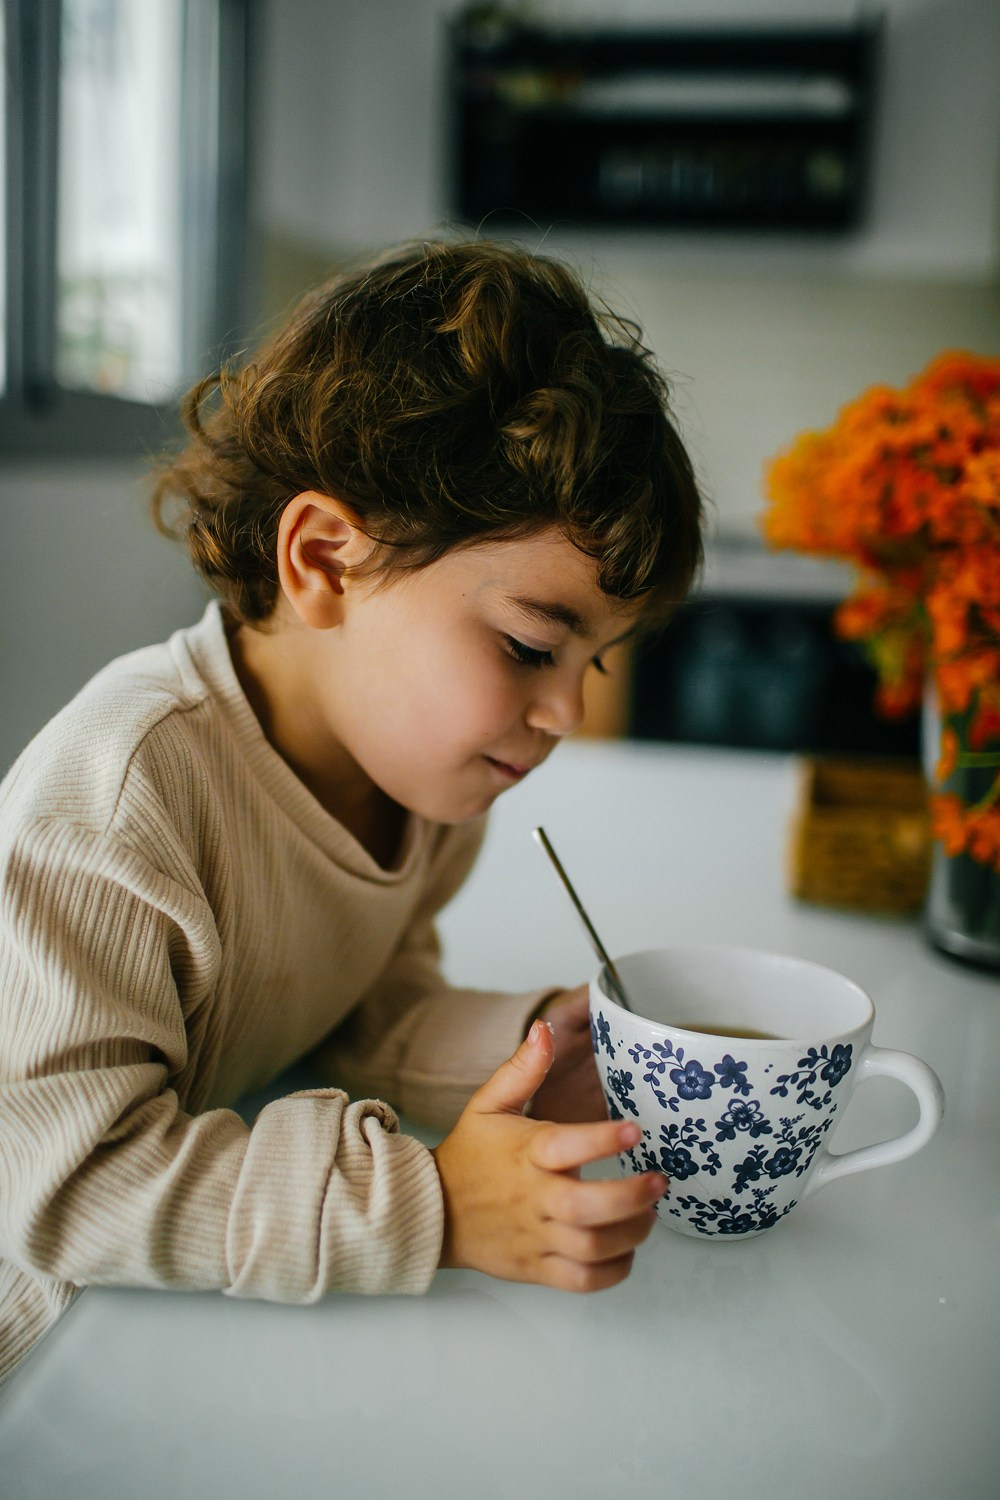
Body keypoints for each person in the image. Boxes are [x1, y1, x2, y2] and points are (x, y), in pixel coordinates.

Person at [0, 239, 704, 1383]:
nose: (567, 713)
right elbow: (56, 1183)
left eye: (596, 663)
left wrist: (534, 1049)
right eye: (532, 646)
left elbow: (350, 1009)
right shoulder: (123, 796)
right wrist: (429, 1202)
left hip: (188, 1337)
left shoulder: (427, 784)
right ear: (326, 560)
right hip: (45, 1355)